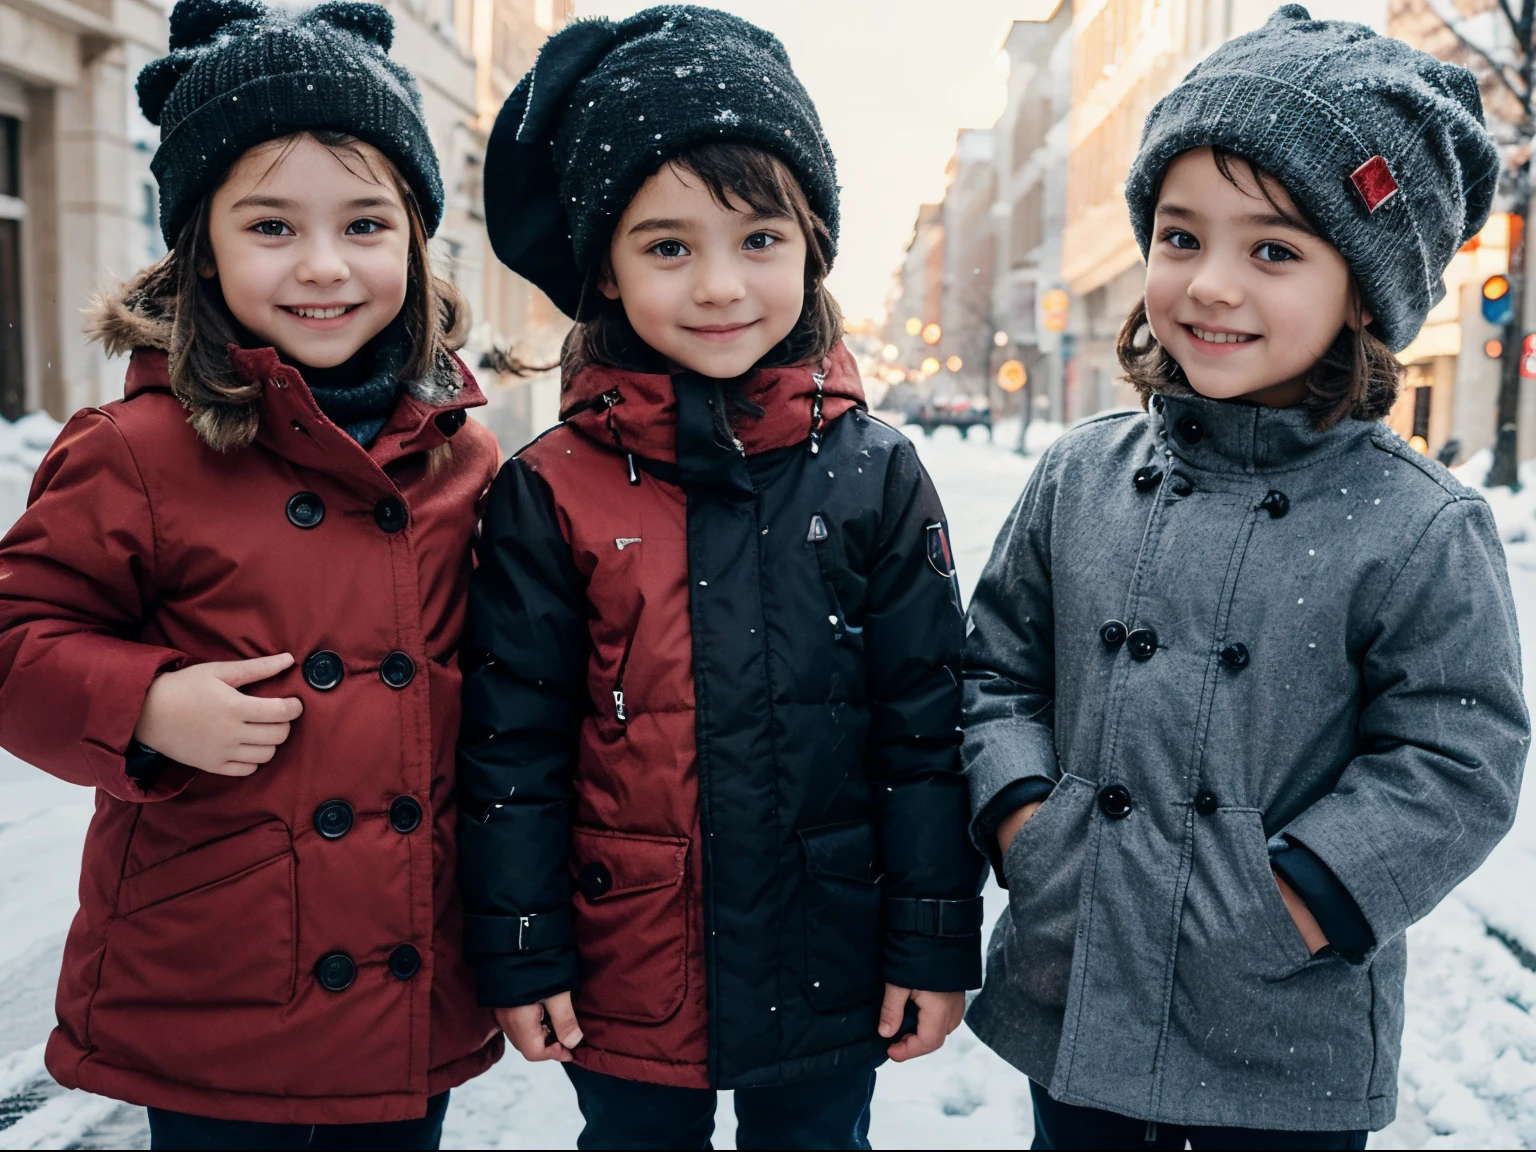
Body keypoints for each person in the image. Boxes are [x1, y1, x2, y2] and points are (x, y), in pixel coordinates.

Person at [962, 7, 1528, 1149]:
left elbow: (1456, 752)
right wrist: (1027, 818)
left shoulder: (1416, 525)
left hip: (1277, 1032)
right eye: (1182, 237)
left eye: (1273, 249)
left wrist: (1304, 898)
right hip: (1074, 986)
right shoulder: (1082, 475)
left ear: (1365, 289)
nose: (1212, 284)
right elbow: (995, 668)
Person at [457, 7, 988, 1148]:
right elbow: (512, 745)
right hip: (626, 960)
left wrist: (933, 938)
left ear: (812, 249)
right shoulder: (548, 490)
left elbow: (925, 732)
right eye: (667, 246)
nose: (718, 286)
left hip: (830, 950)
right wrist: (522, 947)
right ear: (605, 263)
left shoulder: (878, 476)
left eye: (759, 240)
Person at [0, 1, 501, 1146]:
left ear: (417, 240)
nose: (325, 266)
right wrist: (142, 703)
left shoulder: (461, 454)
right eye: (272, 226)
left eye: (367, 224)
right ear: (203, 242)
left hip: (406, 967)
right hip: (219, 979)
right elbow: (16, 637)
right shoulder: (139, 447)